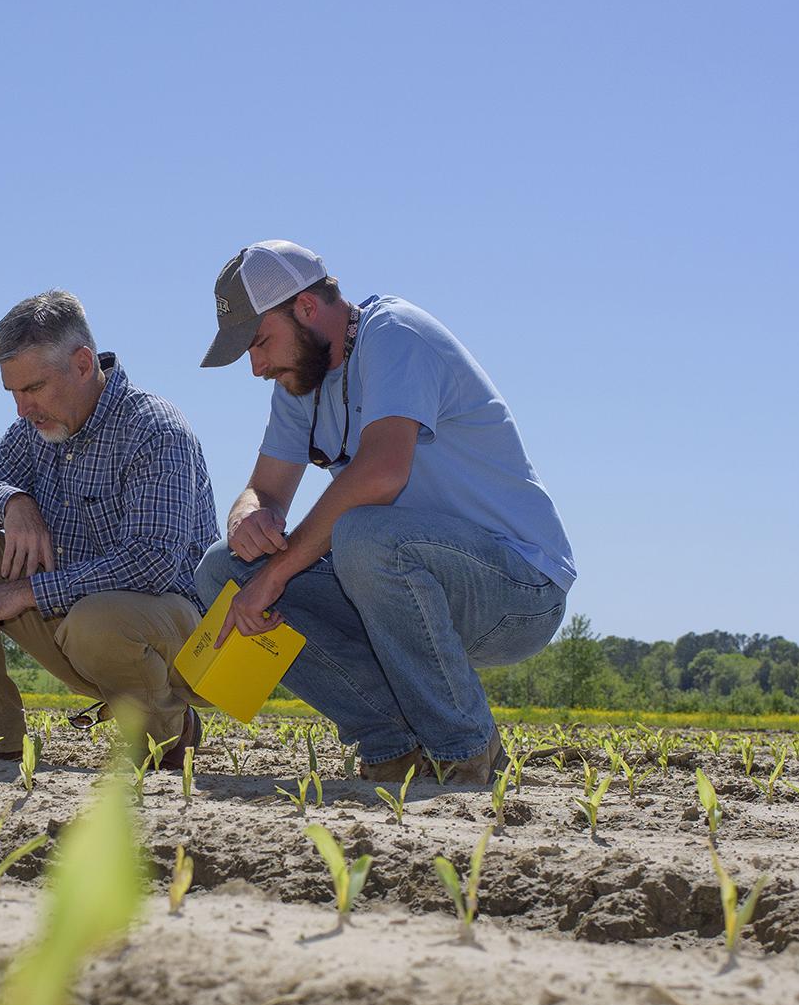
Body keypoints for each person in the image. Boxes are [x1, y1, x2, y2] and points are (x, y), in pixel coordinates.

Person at [194, 241, 576, 785]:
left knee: (363, 535)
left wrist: (276, 573)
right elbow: (263, 491)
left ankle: (465, 746)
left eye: (259, 342)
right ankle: (392, 745)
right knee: (224, 570)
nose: (256, 367)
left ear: (306, 307)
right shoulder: (299, 378)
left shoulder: (395, 336)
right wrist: (246, 518)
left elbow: (381, 473)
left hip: (517, 588)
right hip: (396, 580)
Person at [0, 290, 220, 762]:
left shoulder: (157, 430)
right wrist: (13, 502)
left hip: (179, 640)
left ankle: (169, 732)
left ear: (83, 364)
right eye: (14, 392)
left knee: (97, 621)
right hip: (77, 626)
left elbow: (152, 564)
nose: (22, 409)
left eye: (34, 388)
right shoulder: (35, 432)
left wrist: (26, 593)